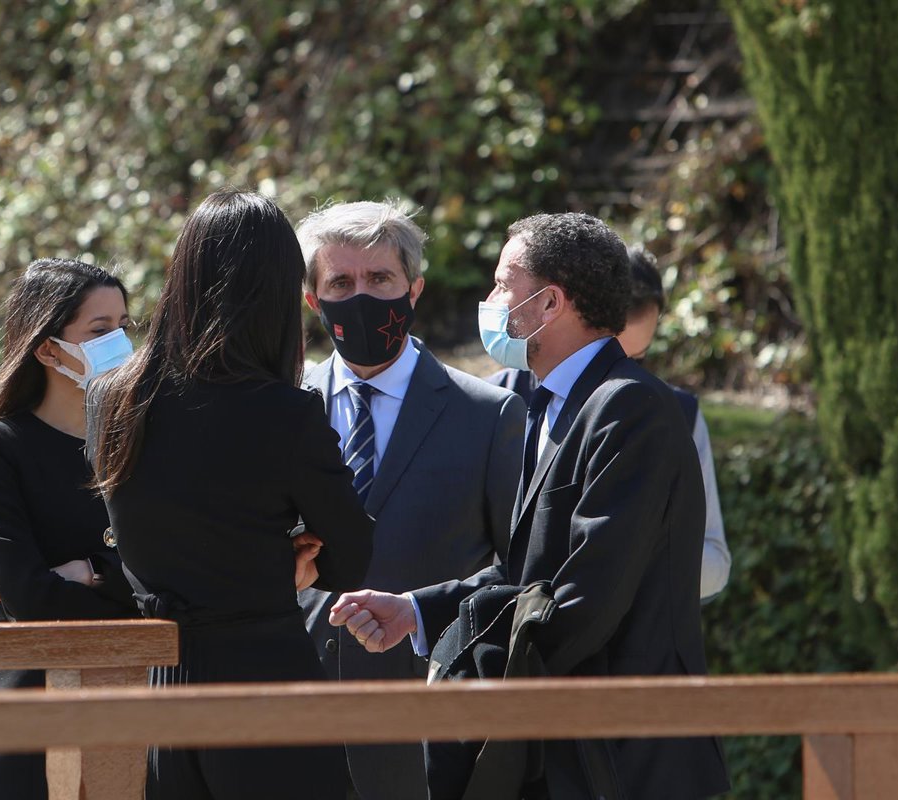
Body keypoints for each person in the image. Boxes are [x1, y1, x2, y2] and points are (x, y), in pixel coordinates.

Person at [330, 213, 730, 799]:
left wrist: (465, 671)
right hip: (566, 750)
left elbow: (585, 598)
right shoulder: (549, 404)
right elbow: (526, 574)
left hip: (625, 761)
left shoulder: (628, 409)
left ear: (549, 304)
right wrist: (414, 611)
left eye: (502, 284)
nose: (490, 301)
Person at [87, 189, 374, 800]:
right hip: (264, 676)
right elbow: (351, 558)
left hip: (162, 681)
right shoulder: (285, 412)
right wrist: (278, 558)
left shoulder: (111, 397)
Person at [295, 200, 525, 800]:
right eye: (341, 283)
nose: (362, 297)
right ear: (313, 300)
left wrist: (419, 612)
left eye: (380, 279)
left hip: (429, 725)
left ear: (414, 288)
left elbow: (523, 568)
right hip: (296, 717)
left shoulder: (488, 415)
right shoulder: (281, 409)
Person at [0, 257, 140, 800]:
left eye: (123, 326)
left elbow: (182, 573)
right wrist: (126, 584)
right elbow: (27, 595)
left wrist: (89, 572)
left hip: (140, 704)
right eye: (99, 331)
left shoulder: (144, 443)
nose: (119, 344)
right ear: (47, 350)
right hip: (32, 709)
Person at [489, 244, 731, 601]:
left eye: (636, 359)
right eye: (602, 355)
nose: (615, 375)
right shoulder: (498, 402)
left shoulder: (676, 415)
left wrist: (627, 557)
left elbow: (714, 562)